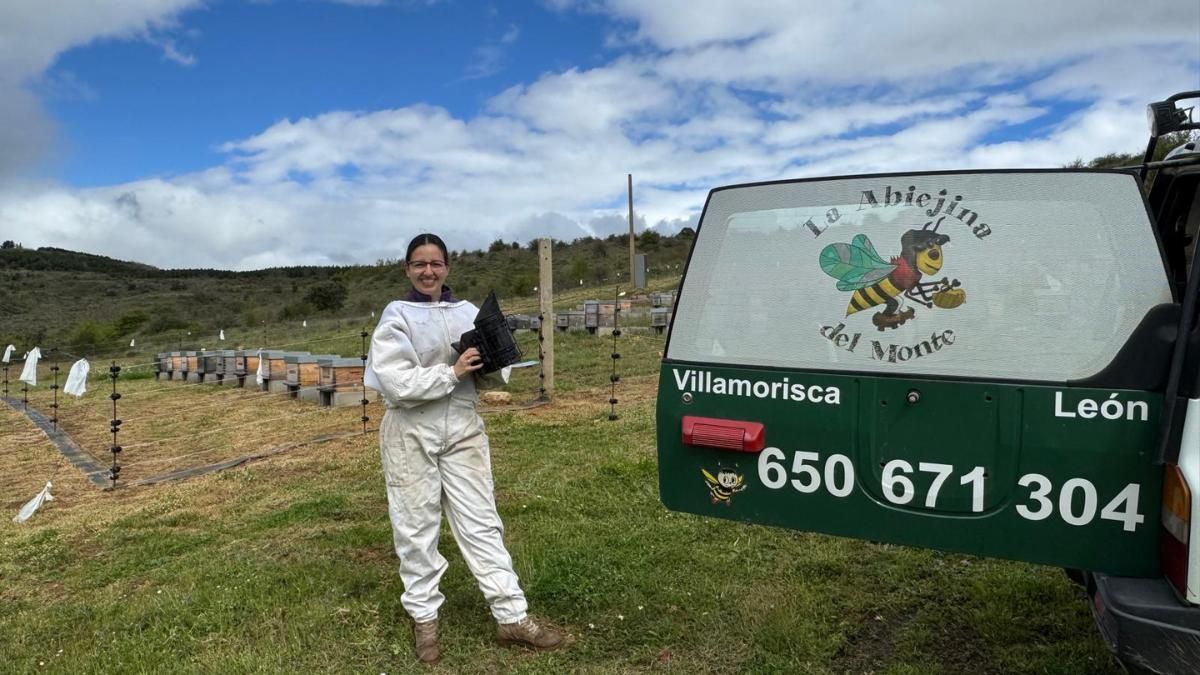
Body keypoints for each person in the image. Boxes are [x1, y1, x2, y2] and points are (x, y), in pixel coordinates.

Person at [364, 233, 566, 664]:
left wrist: (494, 357)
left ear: (447, 267)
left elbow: (492, 377)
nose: (428, 271)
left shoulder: (466, 312)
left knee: (481, 522)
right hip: (409, 432)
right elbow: (397, 386)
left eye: (436, 263)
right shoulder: (396, 316)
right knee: (416, 527)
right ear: (407, 268)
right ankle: (425, 619)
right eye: (419, 264)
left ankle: (511, 616)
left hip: (462, 429)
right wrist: (451, 371)